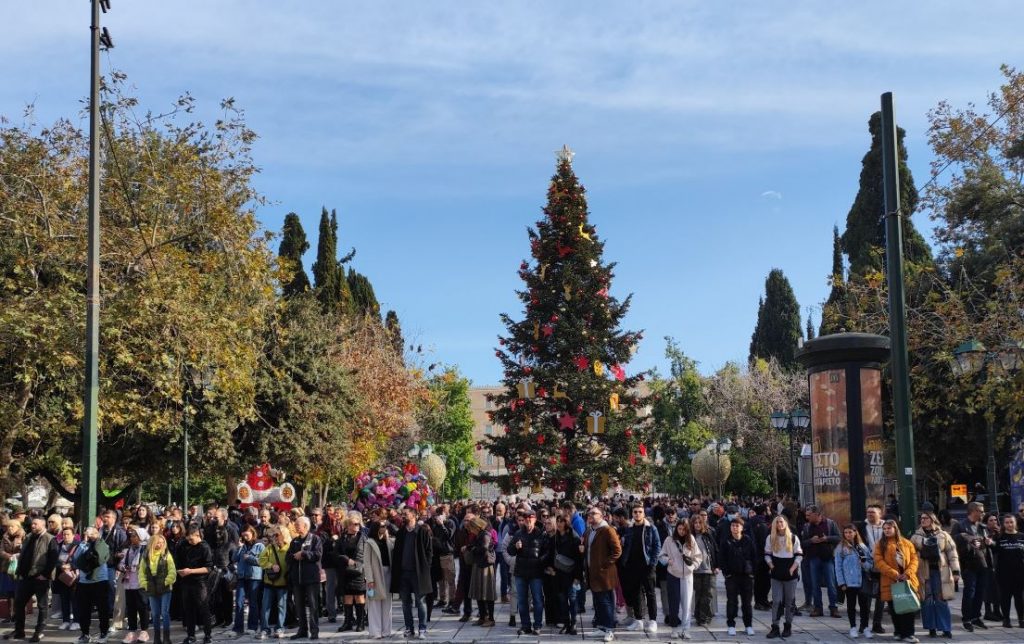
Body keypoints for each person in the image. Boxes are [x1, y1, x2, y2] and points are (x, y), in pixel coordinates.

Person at [2, 517, 57, 643]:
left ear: (43, 525)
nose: (33, 526)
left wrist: (45, 574)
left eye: (35, 524)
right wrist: (20, 572)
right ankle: (19, 630)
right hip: (25, 577)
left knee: (42, 606)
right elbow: (23, 554)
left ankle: (39, 631)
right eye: (32, 524)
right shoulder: (29, 537)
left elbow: (53, 559)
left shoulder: (50, 539)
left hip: (40, 578)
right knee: (19, 603)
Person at [910, 511, 958, 638]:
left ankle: (946, 628)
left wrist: (956, 571)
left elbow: (952, 553)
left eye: (926, 518)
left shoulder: (943, 535)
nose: (923, 520)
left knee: (941, 599)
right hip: (923, 571)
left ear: (932, 519)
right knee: (927, 599)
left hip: (941, 571)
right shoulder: (915, 537)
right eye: (921, 518)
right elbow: (911, 555)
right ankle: (931, 628)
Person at [873, 520, 919, 643]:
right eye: (884, 529)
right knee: (895, 609)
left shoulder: (906, 543)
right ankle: (898, 632)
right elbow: (879, 562)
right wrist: (895, 574)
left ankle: (909, 634)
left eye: (889, 528)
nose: (887, 530)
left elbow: (914, 560)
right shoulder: (880, 544)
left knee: (908, 609)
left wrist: (908, 573)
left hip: (907, 580)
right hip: (890, 581)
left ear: (895, 528)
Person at [391, 506, 433, 640]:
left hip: (418, 573)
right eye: (402, 514)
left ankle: (422, 628)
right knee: (405, 603)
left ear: (414, 515)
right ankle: (409, 628)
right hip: (403, 573)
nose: (403, 516)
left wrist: (425, 567)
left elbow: (429, 552)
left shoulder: (422, 531)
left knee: (420, 602)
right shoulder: (401, 532)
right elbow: (397, 552)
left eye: (406, 514)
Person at [951, 500, 993, 632]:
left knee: (980, 592)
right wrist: (966, 539)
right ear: (973, 511)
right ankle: (967, 619)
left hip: (983, 563)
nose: (983, 513)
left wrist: (987, 542)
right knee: (969, 592)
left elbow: (986, 545)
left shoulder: (982, 527)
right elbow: (952, 543)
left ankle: (976, 617)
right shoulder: (960, 525)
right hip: (968, 564)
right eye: (981, 511)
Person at [619, 504, 661, 634]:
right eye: (635, 512)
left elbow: (656, 545)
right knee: (636, 593)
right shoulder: (629, 529)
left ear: (643, 513)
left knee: (650, 593)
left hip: (647, 566)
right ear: (632, 514)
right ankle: (639, 620)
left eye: (640, 512)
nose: (637, 514)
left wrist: (653, 563)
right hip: (632, 566)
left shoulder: (651, 528)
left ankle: (653, 620)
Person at [508, 507, 550, 635]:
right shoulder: (518, 533)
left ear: (535, 519)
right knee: (522, 600)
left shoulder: (541, 533)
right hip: (521, 572)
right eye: (526, 519)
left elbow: (547, 551)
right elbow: (510, 551)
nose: (528, 521)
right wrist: (515, 546)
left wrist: (540, 561)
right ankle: (525, 625)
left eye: (530, 518)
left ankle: (537, 625)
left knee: (537, 599)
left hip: (536, 572)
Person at [583, 506, 621, 643]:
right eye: (589, 513)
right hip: (592, 573)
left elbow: (617, 551)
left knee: (606, 602)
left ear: (602, 516)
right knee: (598, 601)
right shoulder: (589, 531)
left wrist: (604, 564)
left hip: (604, 574)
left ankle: (610, 629)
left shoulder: (607, 530)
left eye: (594, 513)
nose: (591, 515)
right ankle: (601, 626)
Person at [658, 517, 701, 639]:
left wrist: (692, 566)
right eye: (679, 528)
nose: (681, 531)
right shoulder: (669, 540)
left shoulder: (691, 540)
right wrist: (668, 560)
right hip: (673, 575)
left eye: (684, 529)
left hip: (687, 576)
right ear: (676, 528)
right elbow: (661, 555)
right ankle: (674, 628)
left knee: (687, 604)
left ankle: (686, 629)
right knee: (673, 603)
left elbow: (698, 557)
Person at [765, 515, 802, 640]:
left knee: (789, 601)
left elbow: (799, 555)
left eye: (782, 522)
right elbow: (767, 554)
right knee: (776, 601)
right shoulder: (770, 538)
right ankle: (775, 626)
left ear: (785, 523)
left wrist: (792, 568)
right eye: (777, 522)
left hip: (790, 573)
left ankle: (788, 625)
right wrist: (771, 566)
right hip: (776, 572)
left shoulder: (793, 538)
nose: (779, 524)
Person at [834, 524, 874, 639]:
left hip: (862, 580)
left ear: (855, 533)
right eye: (846, 532)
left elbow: (870, 563)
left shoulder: (862, 547)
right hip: (849, 581)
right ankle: (853, 627)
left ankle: (865, 627)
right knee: (851, 605)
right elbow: (838, 567)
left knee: (864, 606)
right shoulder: (841, 548)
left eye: (850, 532)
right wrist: (841, 582)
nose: (848, 535)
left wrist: (864, 564)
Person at [719, 516, 756, 637]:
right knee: (732, 601)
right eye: (732, 526)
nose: (734, 528)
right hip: (732, 576)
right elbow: (722, 559)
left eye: (737, 526)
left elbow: (754, 556)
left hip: (746, 576)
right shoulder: (726, 541)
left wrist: (752, 573)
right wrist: (726, 573)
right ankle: (731, 625)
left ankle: (748, 625)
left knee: (747, 602)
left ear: (742, 527)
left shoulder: (748, 540)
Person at [287, 516, 323, 640]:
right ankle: (302, 630)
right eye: (295, 525)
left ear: (306, 526)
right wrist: (295, 556)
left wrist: (304, 554)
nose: (296, 527)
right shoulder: (294, 541)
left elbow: (317, 555)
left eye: (298, 525)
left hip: (311, 578)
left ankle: (314, 631)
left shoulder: (315, 539)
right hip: (297, 578)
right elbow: (288, 557)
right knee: (299, 606)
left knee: (313, 606)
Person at [801, 505, 840, 618]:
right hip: (813, 558)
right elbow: (802, 543)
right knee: (815, 584)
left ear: (817, 515)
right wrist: (811, 541)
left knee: (831, 584)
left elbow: (838, 538)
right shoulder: (807, 526)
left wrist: (826, 539)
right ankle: (818, 608)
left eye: (810, 515)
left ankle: (833, 607)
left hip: (827, 558)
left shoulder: (830, 523)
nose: (808, 517)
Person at [74, 526, 112, 644]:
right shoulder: (83, 545)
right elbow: (76, 559)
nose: (88, 536)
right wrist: (84, 542)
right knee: (84, 609)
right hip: (84, 582)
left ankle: (104, 632)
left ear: (97, 534)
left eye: (90, 534)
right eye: (86, 534)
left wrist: (90, 552)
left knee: (102, 609)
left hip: (99, 581)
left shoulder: (102, 545)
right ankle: (85, 634)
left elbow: (99, 559)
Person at [177, 526, 213, 644]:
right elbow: (179, 562)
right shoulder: (184, 545)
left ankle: (208, 635)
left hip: (200, 582)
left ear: (198, 535)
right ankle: (191, 635)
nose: (189, 542)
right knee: (188, 609)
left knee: (204, 608)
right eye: (188, 539)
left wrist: (191, 571)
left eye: (191, 539)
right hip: (186, 582)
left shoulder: (204, 547)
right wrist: (180, 571)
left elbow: (209, 568)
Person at [139, 533, 176, 644]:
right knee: (155, 614)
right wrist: (145, 584)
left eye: (162, 542)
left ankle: (166, 637)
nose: (160, 544)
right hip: (151, 587)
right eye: (157, 542)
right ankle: (156, 638)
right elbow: (141, 572)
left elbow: (172, 570)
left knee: (164, 612)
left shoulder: (166, 554)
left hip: (165, 587)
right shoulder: (146, 556)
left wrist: (166, 581)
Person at [336, 511, 367, 633]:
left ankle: (360, 622)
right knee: (347, 597)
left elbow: (367, 555)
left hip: (359, 571)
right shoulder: (341, 539)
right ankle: (348, 622)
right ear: (348, 525)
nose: (356, 526)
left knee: (359, 596)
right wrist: (345, 559)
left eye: (358, 524)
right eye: (354, 524)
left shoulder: (363, 538)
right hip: (345, 571)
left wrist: (359, 565)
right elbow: (335, 553)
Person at [551, 513, 582, 635]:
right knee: (562, 600)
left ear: (567, 523)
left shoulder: (574, 538)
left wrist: (577, 577)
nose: (559, 524)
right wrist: (551, 569)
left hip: (571, 574)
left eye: (562, 521)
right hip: (558, 574)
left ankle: (573, 623)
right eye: (558, 521)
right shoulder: (555, 537)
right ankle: (566, 623)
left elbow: (579, 559)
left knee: (572, 600)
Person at [363, 518, 394, 639]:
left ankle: (386, 631)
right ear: (376, 528)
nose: (384, 528)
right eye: (382, 526)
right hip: (375, 575)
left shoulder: (389, 542)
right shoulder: (369, 542)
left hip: (388, 574)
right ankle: (375, 631)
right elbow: (367, 562)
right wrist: (369, 579)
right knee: (374, 602)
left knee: (387, 603)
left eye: (385, 526)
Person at [118, 527, 150, 644]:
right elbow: (121, 563)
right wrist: (123, 567)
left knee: (143, 607)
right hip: (129, 582)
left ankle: (144, 631)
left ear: (141, 537)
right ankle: (132, 631)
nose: (132, 538)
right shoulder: (128, 550)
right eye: (131, 536)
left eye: (134, 536)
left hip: (141, 583)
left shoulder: (146, 550)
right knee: (131, 607)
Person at [257, 527, 290, 640]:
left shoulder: (289, 548)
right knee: (265, 606)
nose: (275, 538)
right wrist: (271, 565)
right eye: (274, 536)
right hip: (269, 582)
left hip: (283, 582)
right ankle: (265, 629)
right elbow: (261, 560)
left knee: (281, 606)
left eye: (277, 535)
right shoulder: (270, 548)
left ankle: (280, 628)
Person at [232, 525, 265, 637]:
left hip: (254, 577)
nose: (245, 536)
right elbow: (234, 559)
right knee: (239, 602)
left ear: (252, 533)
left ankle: (252, 626)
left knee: (253, 602)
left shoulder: (259, 545)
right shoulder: (242, 546)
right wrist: (238, 547)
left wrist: (249, 558)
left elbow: (262, 561)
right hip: (242, 576)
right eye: (243, 534)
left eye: (247, 534)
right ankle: (238, 627)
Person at [993, 513, 1024, 628]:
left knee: (1020, 598)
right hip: (1003, 573)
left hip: (1020, 573)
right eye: (1007, 522)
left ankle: (1021, 619)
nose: (1009, 524)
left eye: (1011, 522)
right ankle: (1006, 619)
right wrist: (990, 543)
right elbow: (994, 549)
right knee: (1005, 598)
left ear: (1015, 523)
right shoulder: (999, 537)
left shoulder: (1022, 536)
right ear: (1003, 524)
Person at [466, 516, 497, 628]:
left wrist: (473, 549)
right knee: (479, 593)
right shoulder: (479, 534)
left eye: (471, 528)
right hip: (479, 565)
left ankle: (491, 618)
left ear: (476, 526)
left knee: (487, 593)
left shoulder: (485, 534)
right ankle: (483, 617)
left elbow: (484, 548)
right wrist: (470, 547)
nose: (471, 530)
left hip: (485, 567)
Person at [689, 513, 717, 627]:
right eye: (695, 523)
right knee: (698, 594)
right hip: (695, 570)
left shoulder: (708, 535)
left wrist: (716, 566)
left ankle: (705, 617)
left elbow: (715, 550)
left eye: (700, 522)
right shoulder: (690, 536)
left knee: (708, 594)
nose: (697, 525)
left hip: (708, 569)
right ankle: (699, 616)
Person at [54, 526, 80, 631]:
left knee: (75, 599)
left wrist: (71, 566)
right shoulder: (58, 546)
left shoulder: (78, 546)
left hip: (74, 576)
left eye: (68, 534)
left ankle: (77, 621)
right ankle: (65, 621)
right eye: (64, 534)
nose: (66, 536)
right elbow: (53, 559)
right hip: (62, 576)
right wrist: (61, 566)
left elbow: (81, 560)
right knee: (64, 599)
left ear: (74, 535)